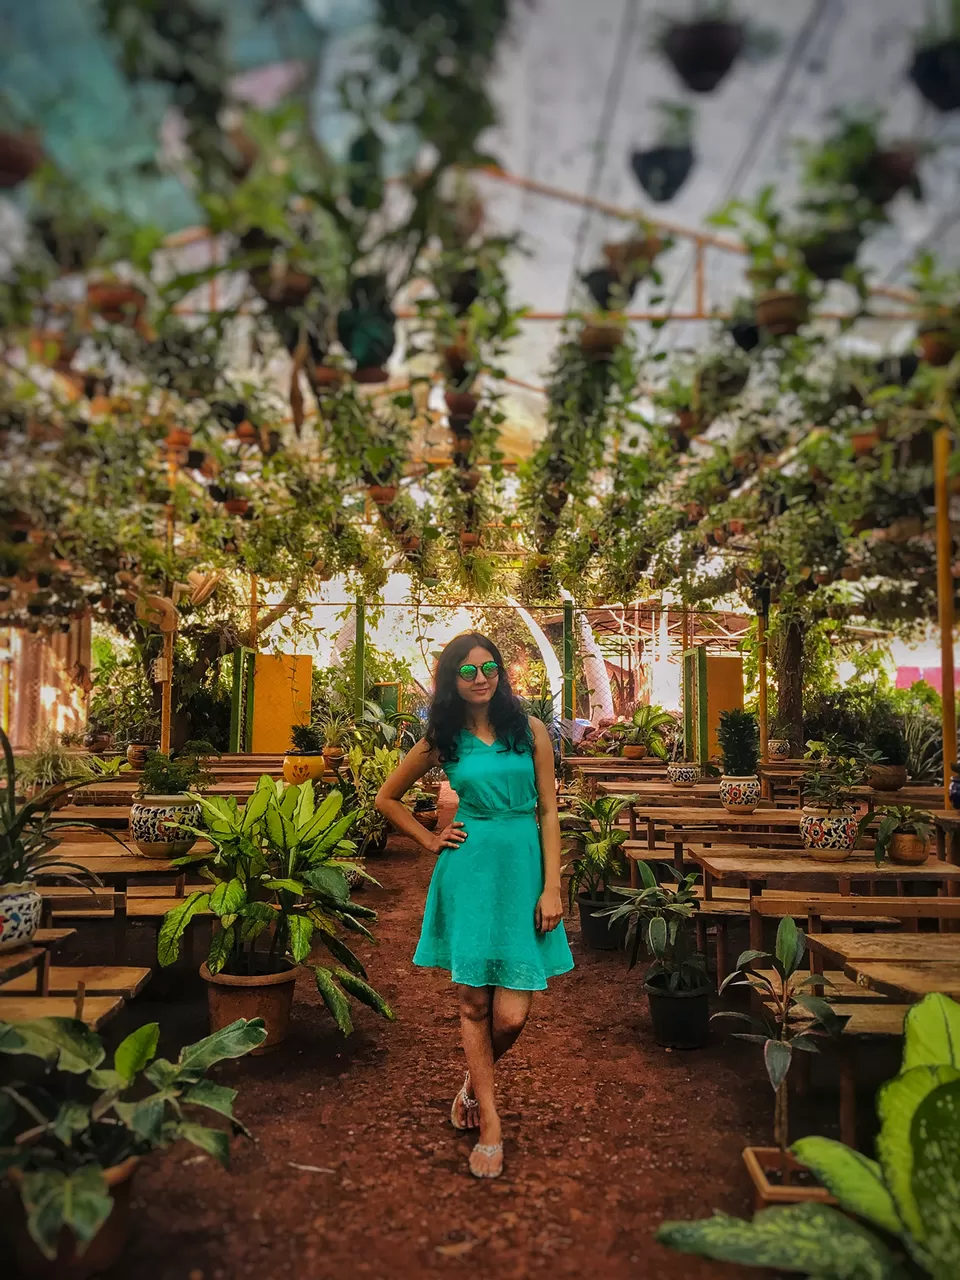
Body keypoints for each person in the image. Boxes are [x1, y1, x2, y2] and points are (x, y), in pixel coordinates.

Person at [375, 632, 574, 1180]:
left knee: (511, 1015)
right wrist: (428, 839)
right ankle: (489, 1122)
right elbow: (386, 798)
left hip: (522, 874)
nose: (480, 677)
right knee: (472, 1005)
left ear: (501, 673)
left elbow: (550, 812)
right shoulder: (443, 738)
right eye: (467, 671)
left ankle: (469, 1083)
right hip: (469, 874)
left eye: (488, 667)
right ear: (451, 680)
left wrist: (551, 886)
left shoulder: (529, 730)